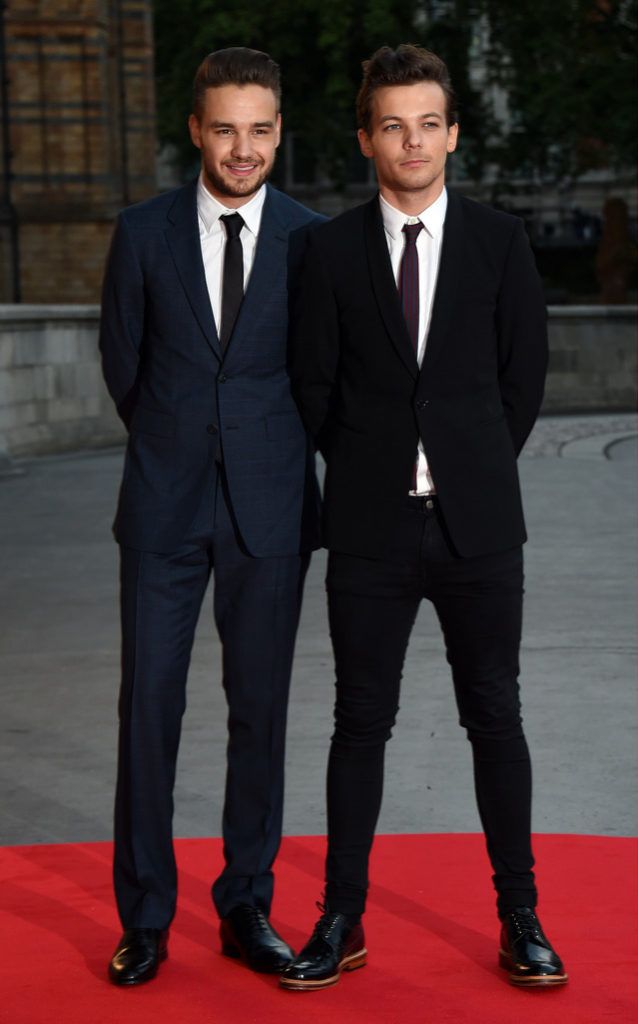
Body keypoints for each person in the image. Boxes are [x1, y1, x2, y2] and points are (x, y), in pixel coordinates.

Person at [280, 44, 567, 992]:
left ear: (452, 133)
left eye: (429, 123)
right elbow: (313, 385)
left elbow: (521, 380)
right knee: (360, 722)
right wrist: (371, 468)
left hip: (478, 528)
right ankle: (340, 919)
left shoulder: (499, 243)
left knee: (496, 716)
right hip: (369, 530)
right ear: (368, 137)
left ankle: (520, 917)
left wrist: (467, 466)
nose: (413, 140)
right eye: (393, 124)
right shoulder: (323, 249)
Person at [99, 46, 323, 986]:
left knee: (259, 714)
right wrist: (177, 441)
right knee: (149, 706)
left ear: (278, 132)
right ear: (196, 129)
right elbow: (124, 362)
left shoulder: (313, 240)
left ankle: (244, 906)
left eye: (259, 130)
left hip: (270, 511)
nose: (242, 148)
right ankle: (146, 916)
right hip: (163, 506)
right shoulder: (142, 232)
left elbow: (323, 375)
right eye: (225, 129)